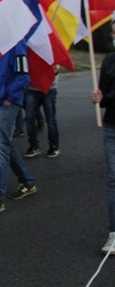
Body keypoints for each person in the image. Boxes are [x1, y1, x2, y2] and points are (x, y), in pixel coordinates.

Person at [0, 40, 37, 214]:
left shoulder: (16, 44)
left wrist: (10, 98)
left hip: (6, 104)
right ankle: (26, 181)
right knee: (5, 144)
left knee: (1, 145)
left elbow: (23, 75)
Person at [90, 20, 115, 254]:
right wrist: (100, 98)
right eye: (114, 31)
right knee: (114, 181)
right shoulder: (109, 60)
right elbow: (105, 94)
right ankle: (114, 233)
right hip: (111, 128)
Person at [23, 66, 61, 158]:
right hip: (32, 88)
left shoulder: (53, 54)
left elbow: (56, 70)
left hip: (49, 89)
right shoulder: (30, 52)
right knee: (29, 118)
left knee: (50, 120)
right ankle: (34, 146)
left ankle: (54, 146)